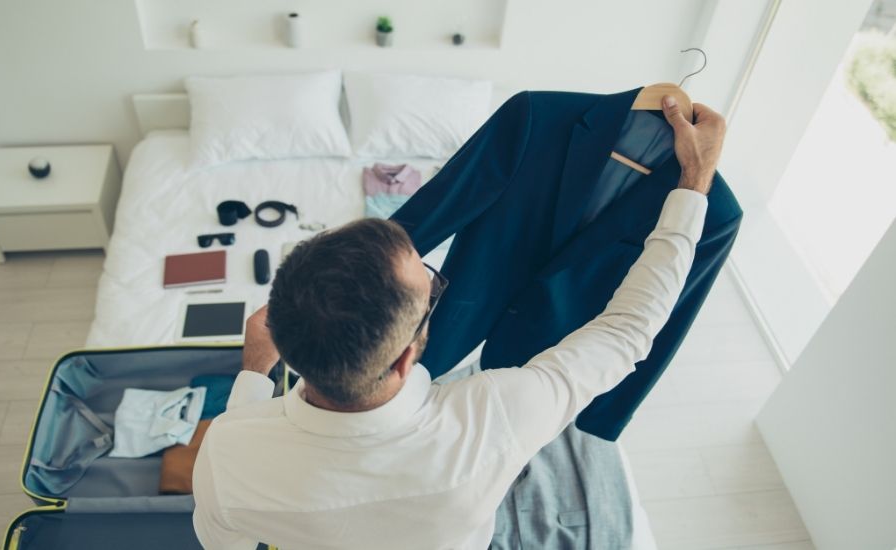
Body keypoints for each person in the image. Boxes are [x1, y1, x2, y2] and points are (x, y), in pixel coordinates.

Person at [192, 96, 727, 549]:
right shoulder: (496, 419)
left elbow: (224, 544)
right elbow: (628, 330)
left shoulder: (227, 454)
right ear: (406, 357)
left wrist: (251, 376)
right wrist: (694, 186)